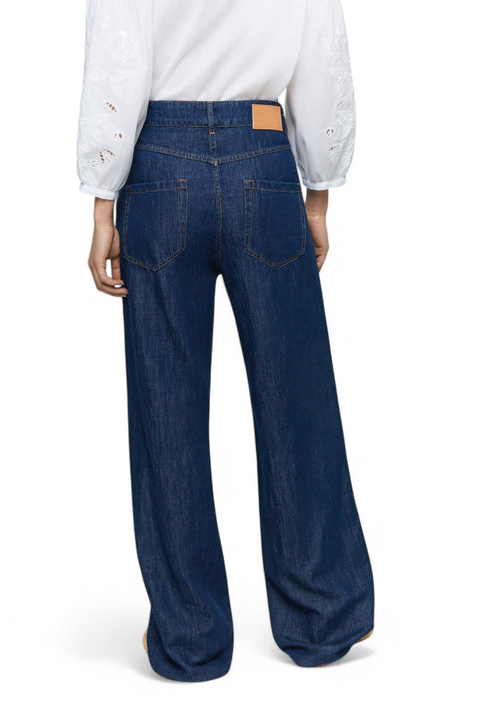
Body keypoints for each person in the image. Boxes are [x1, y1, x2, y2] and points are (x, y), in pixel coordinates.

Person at [76, 0, 375, 683]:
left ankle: (190, 639)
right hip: (262, 160)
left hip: (158, 165)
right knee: (298, 399)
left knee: (166, 408)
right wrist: (319, 191)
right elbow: (321, 53)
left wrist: (101, 197)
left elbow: (117, 57)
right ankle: (323, 615)